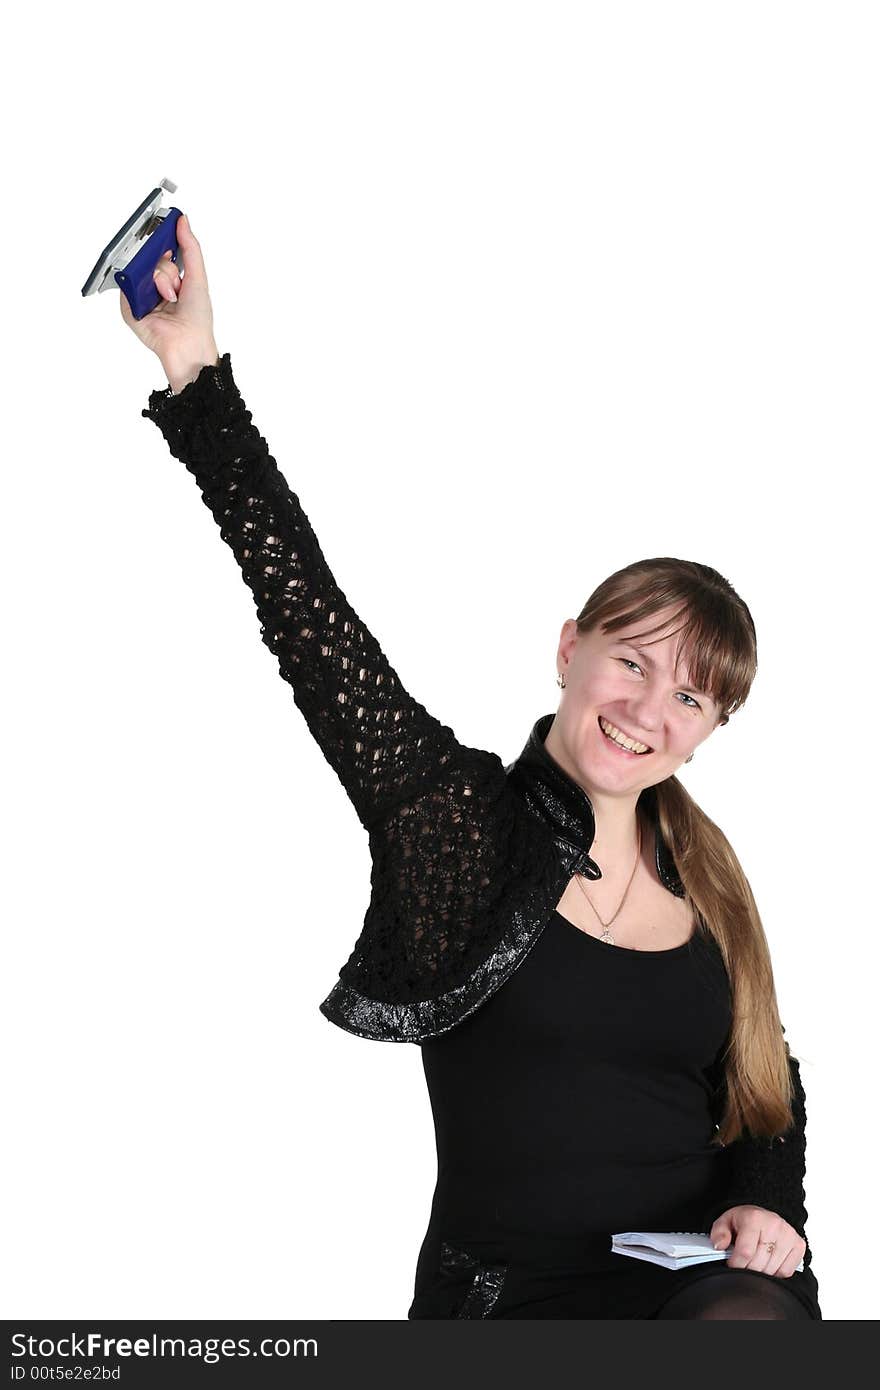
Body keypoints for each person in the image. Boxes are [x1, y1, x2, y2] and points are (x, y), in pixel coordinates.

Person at [120, 217, 822, 1320]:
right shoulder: (457, 825)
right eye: (629, 662)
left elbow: (765, 1091)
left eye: (687, 695)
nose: (645, 710)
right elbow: (312, 622)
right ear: (567, 648)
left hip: (711, 1290)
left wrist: (767, 1205)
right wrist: (195, 372)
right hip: (514, 1292)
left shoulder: (710, 876)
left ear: (709, 727)